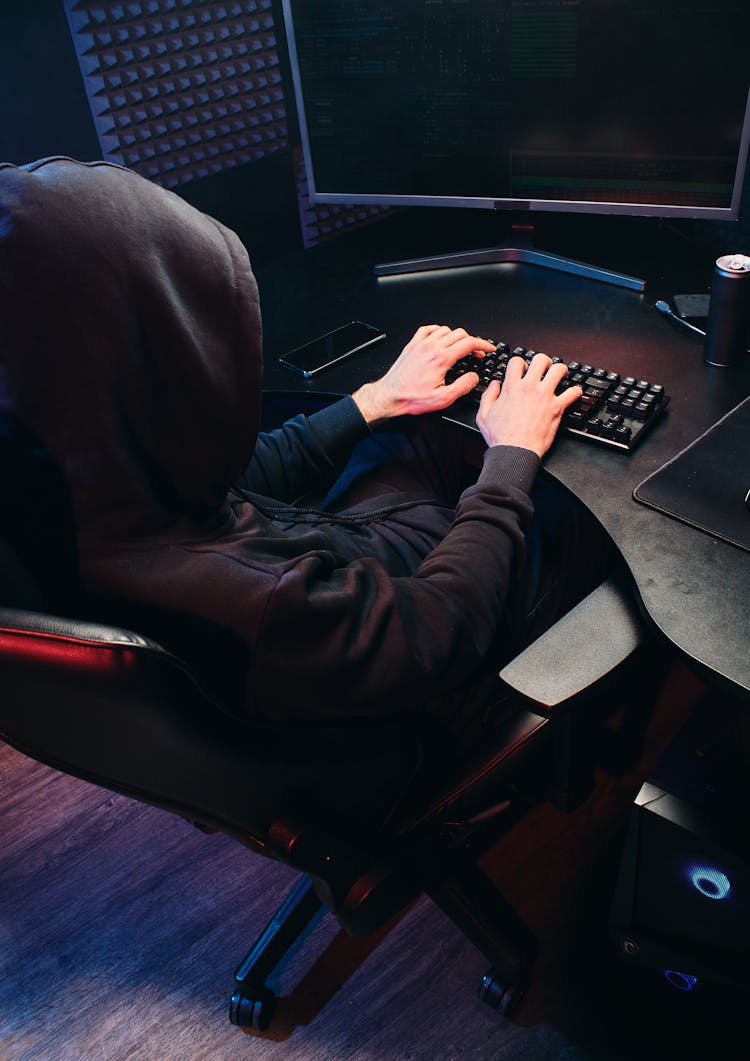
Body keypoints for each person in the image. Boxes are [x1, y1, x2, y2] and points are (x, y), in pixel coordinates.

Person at [0, 156, 612, 729]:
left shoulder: (64, 483)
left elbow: (234, 476)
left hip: (333, 567)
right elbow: (440, 628)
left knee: (414, 432)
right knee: (585, 516)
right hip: (426, 623)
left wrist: (373, 401)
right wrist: (511, 462)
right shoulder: (247, 606)